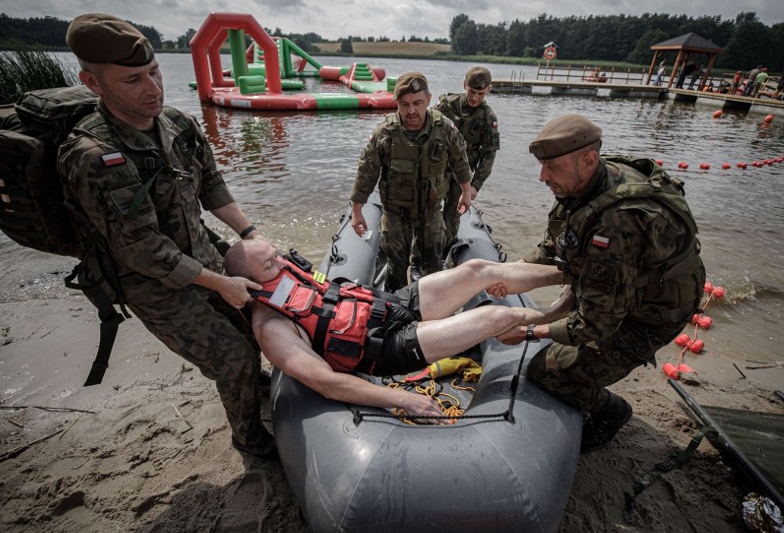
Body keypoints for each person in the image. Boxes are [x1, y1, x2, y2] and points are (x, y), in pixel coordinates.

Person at [57, 13, 275, 459]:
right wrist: (222, 284)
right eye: (134, 80)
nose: (153, 88)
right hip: (150, 282)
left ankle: (254, 385)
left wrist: (249, 234)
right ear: (93, 84)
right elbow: (145, 252)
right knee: (231, 357)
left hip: (201, 252)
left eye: (155, 72)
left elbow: (211, 186)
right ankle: (250, 441)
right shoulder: (96, 157)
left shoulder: (176, 123)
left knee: (255, 329)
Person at [500, 114, 705, 451]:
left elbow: (595, 324)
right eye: (542, 166)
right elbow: (557, 245)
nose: (542, 177)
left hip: (651, 314)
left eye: (551, 167)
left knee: (546, 370)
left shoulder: (617, 223)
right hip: (628, 287)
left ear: (588, 159)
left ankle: (611, 411)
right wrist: (507, 273)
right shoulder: (586, 183)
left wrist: (530, 330)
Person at [224, 239, 565, 418]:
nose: (282, 262)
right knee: (497, 319)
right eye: (270, 263)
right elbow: (326, 382)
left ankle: (570, 273)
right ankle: (552, 314)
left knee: (477, 269)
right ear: (250, 283)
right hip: (387, 347)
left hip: (386, 303)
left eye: (276, 254)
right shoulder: (272, 327)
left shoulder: (283, 270)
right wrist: (403, 399)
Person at [350, 72, 472, 291]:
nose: (411, 111)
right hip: (396, 213)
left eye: (417, 103)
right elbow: (367, 172)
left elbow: (459, 160)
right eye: (404, 104)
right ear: (396, 103)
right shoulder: (385, 133)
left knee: (433, 263)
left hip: (431, 210)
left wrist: (466, 191)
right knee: (395, 265)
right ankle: (395, 310)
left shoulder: (443, 128)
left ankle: (433, 312)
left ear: (428, 99)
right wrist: (357, 210)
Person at [436, 66, 500, 253]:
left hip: (461, 175)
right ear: (464, 85)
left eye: (480, 93)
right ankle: (419, 257)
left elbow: (489, 155)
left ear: (488, 89)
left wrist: (475, 185)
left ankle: (445, 252)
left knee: (453, 215)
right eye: (471, 92)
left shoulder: (489, 118)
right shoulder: (447, 105)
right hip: (437, 169)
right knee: (428, 211)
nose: (474, 98)